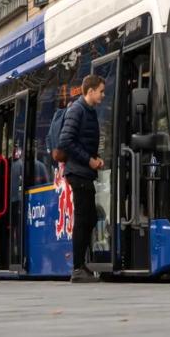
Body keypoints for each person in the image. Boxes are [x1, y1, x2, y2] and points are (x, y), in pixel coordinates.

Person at [58, 74, 106, 283]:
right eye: (101, 91)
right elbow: (66, 141)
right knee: (83, 219)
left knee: (89, 218)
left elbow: (81, 141)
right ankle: (78, 268)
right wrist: (89, 161)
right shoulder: (77, 110)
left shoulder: (88, 111)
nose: (103, 95)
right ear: (91, 91)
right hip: (78, 172)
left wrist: (95, 159)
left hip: (84, 171)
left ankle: (81, 266)